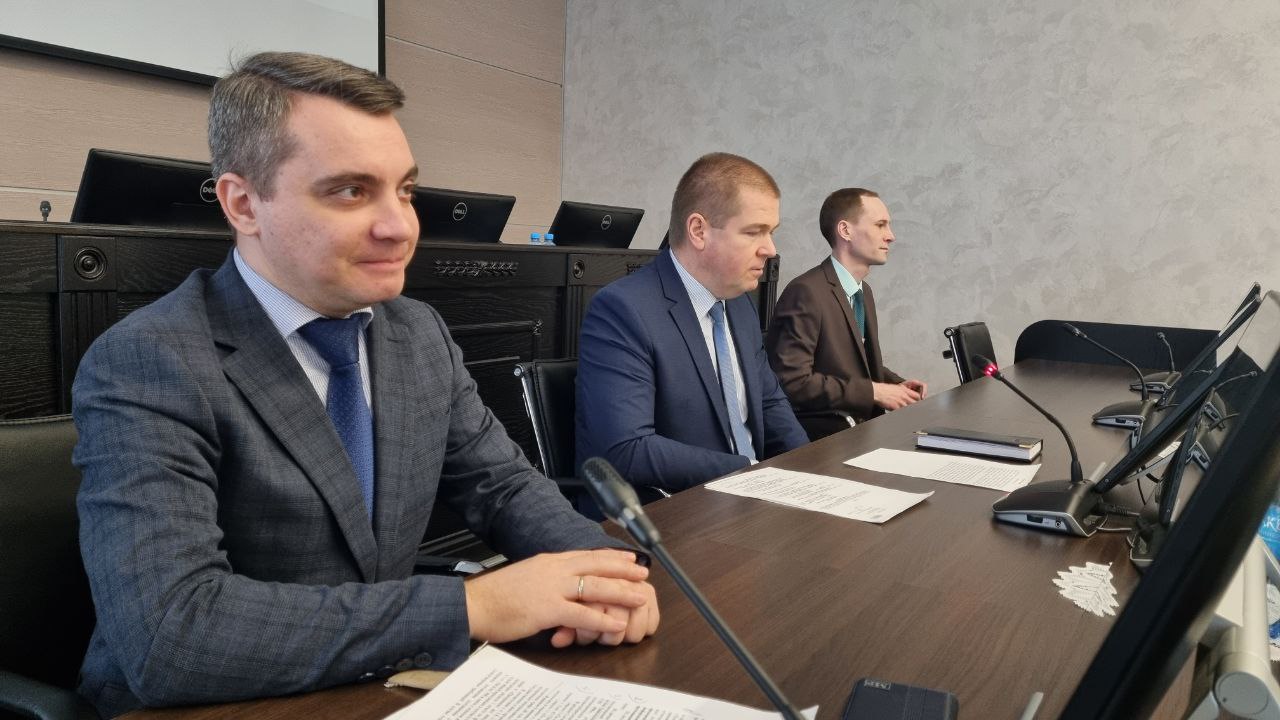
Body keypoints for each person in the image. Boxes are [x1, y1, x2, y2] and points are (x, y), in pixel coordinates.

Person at [71, 51, 658, 718]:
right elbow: (171, 634)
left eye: (404, 190)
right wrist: (474, 605)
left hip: (369, 688)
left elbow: (502, 487)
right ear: (243, 203)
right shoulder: (150, 359)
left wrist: (602, 570)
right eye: (351, 191)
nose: (401, 226)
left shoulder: (415, 332)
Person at [575, 152, 808, 504]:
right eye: (754, 232)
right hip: (669, 510)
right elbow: (627, 449)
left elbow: (769, 402)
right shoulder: (623, 310)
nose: (770, 249)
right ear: (699, 231)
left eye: (771, 233)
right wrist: (750, 472)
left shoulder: (740, 305)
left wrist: (809, 472)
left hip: (747, 501)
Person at [766, 188, 927, 432]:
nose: (891, 236)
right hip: (826, 440)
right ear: (845, 230)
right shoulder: (806, 292)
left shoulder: (864, 292)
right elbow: (791, 382)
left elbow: (852, 366)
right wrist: (874, 391)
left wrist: (895, 385)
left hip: (863, 432)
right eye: (880, 225)